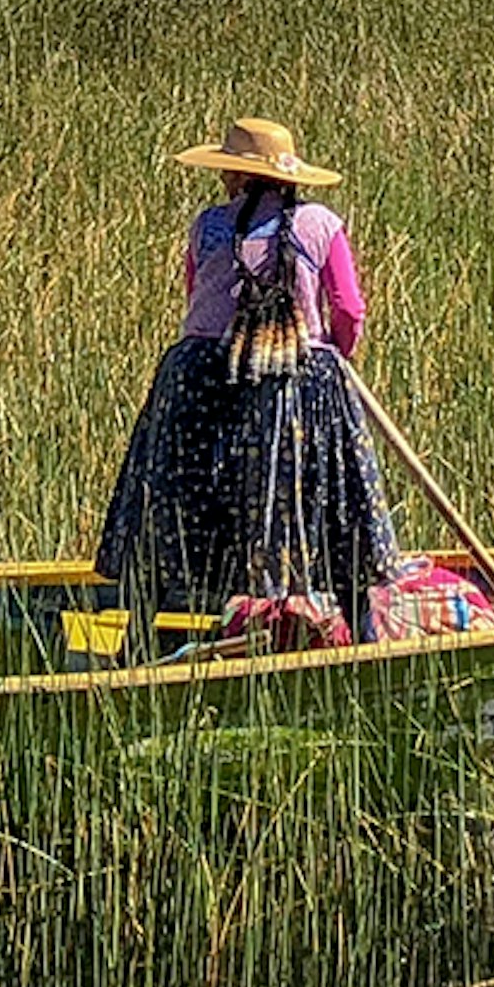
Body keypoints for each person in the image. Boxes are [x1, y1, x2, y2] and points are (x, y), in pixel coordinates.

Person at [95, 116, 402, 634]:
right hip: (295, 380)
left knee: (170, 503)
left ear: (237, 177)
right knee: (334, 506)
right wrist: (336, 359)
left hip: (197, 377)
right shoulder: (321, 224)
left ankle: (139, 641)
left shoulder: (208, 226)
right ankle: (363, 636)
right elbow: (348, 310)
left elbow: (198, 298)